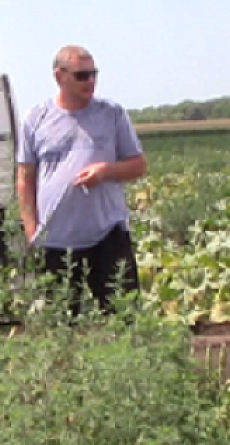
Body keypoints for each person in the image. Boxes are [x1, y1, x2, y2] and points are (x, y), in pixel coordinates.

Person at [17, 45, 148, 313]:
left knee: (125, 317)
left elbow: (138, 165)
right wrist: (31, 231)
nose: (90, 81)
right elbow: (25, 178)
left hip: (106, 236)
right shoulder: (36, 119)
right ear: (59, 76)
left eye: (93, 74)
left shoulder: (111, 114)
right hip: (55, 241)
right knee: (61, 324)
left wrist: (105, 172)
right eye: (81, 75)